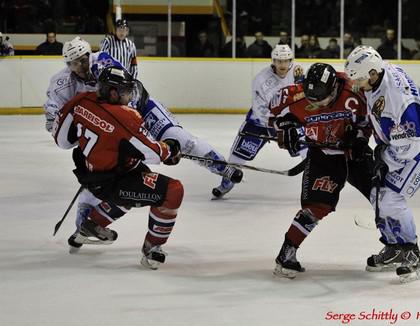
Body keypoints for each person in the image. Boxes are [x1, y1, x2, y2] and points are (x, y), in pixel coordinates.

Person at [45, 36, 242, 252]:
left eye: (82, 59)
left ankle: (222, 167)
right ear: (67, 64)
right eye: (74, 63)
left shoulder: (102, 61)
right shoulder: (60, 83)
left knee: (181, 139)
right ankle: (86, 225)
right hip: (109, 124)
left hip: (140, 109)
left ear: (88, 54)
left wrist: (133, 126)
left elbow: (127, 94)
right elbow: (56, 115)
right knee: (103, 176)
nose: (80, 66)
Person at [52, 66, 183, 269]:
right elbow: (155, 153)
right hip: (113, 181)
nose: (129, 95)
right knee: (173, 190)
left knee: (138, 184)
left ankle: (91, 225)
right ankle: (152, 247)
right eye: (125, 91)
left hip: (91, 174)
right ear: (113, 93)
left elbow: (62, 141)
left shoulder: (81, 100)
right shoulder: (125, 116)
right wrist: (171, 150)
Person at [344, 46, 420, 282]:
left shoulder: (397, 99)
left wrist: (384, 160)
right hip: (401, 145)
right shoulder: (380, 73)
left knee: (391, 199)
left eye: (358, 78)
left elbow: (409, 145)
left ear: (371, 74)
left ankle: (411, 251)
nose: (355, 84)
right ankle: (394, 247)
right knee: (378, 196)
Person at [270, 63, 374, 279]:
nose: (318, 104)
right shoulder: (294, 95)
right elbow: (270, 114)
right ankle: (287, 252)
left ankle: (398, 247)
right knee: (315, 207)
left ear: (334, 87)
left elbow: (370, 120)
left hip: (355, 154)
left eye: (323, 99)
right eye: (313, 100)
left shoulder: (355, 89)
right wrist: (285, 126)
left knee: (383, 196)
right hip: (323, 155)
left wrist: (361, 139)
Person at [212, 44, 305, 198]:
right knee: (238, 156)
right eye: (279, 61)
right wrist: (274, 122)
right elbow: (259, 108)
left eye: (286, 61)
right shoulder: (261, 79)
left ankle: (310, 183)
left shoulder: (298, 72)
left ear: (291, 60)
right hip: (260, 123)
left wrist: (301, 84)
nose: (283, 65)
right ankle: (226, 183)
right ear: (273, 61)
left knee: (306, 147)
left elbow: (304, 99)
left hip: (288, 122)